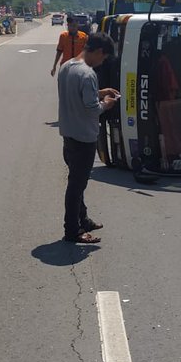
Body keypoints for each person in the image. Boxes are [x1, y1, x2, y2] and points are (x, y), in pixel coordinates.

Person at [56, 32, 119, 244]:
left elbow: (79, 95)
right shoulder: (88, 74)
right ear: (99, 52)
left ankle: (83, 219)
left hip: (68, 134)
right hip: (84, 138)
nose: (102, 63)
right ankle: (72, 230)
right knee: (76, 186)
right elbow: (92, 109)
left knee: (77, 182)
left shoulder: (67, 67)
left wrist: (102, 92)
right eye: (104, 58)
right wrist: (107, 103)